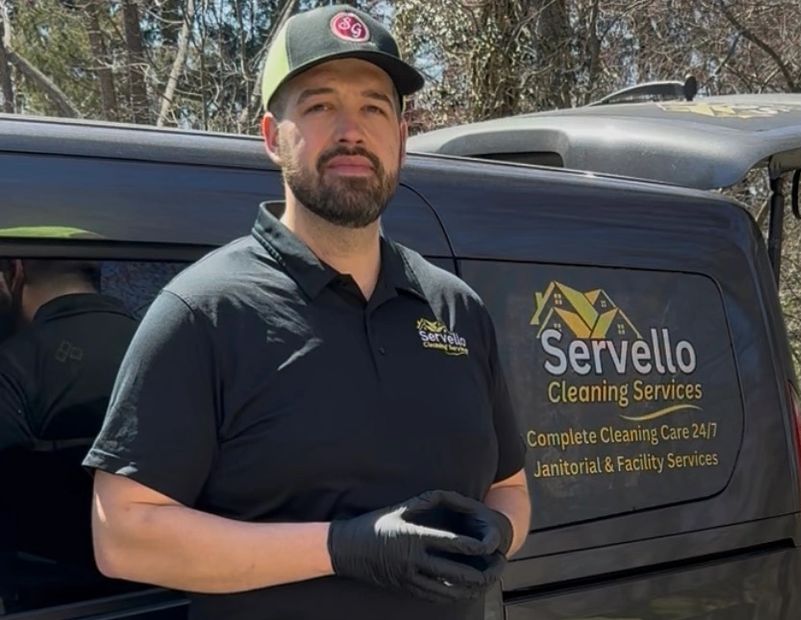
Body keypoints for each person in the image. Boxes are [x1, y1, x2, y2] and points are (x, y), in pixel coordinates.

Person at [82, 5, 530, 619]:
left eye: (374, 107)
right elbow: (123, 535)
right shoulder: (205, 311)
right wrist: (342, 548)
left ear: (401, 137)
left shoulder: (455, 309)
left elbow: (509, 489)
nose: (352, 130)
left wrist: (501, 530)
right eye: (320, 106)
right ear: (272, 136)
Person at [0, 258, 140, 612]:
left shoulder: (12, 363)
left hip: (47, 598)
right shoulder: (164, 344)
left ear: (15, 273)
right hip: (167, 586)